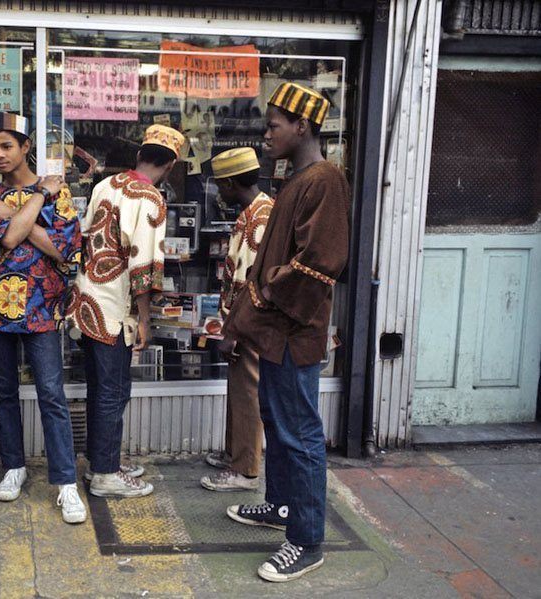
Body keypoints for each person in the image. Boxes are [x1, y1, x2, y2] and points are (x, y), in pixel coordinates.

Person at [221, 82, 350, 582]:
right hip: (275, 333)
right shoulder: (297, 180)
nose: (267, 134)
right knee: (277, 425)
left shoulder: (325, 180)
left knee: (300, 435)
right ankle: (281, 506)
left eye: (275, 125)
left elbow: (319, 264)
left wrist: (261, 299)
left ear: (302, 126)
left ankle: (307, 539)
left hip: (295, 333)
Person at [0, 112, 87, 524]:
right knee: (4, 391)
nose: (0, 155)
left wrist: (20, 212)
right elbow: (3, 239)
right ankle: (14, 467)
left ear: (25, 148)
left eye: (7, 146)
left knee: (52, 394)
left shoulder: (62, 194)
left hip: (41, 306)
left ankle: (66, 483)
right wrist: (38, 197)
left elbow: (65, 252)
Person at [66, 124, 185, 498]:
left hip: (87, 302)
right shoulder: (151, 199)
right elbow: (145, 266)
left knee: (102, 386)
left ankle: (105, 460)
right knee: (114, 389)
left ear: (139, 156)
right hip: (115, 309)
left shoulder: (106, 185)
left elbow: (85, 236)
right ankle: (105, 473)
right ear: (170, 166)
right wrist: (146, 318)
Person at [200, 147, 274, 492]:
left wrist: (233, 331)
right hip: (244, 321)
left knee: (247, 392)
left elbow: (249, 282)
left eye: (219, 184)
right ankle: (236, 454)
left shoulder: (259, 218)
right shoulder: (256, 211)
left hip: (248, 324)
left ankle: (245, 470)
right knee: (239, 388)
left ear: (230, 183)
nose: (217, 191)